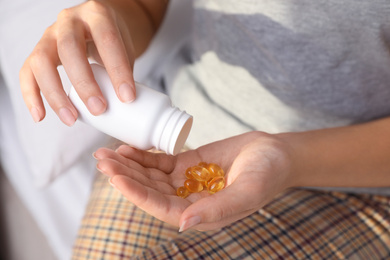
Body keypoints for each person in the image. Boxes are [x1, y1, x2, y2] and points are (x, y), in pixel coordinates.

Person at [20, 0, 390, 259]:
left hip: (360, 177)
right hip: (176, 150)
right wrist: (106, 18)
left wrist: (287, 157)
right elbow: (145, 7)